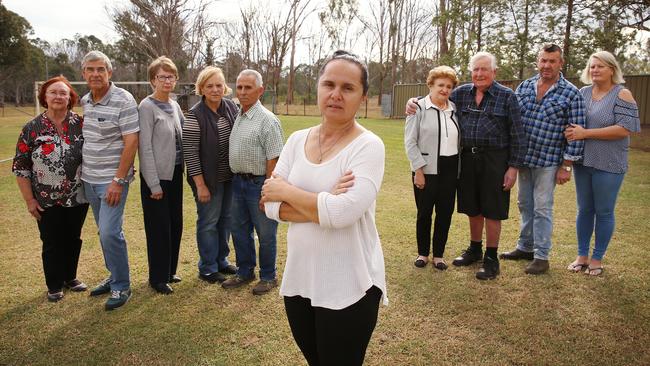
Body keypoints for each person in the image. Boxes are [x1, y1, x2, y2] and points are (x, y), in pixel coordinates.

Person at [262, 50, 387, 366]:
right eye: (328, 84)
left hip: (350, 285)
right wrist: (324, 202)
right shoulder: (296, 140)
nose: (336, 94)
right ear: (317, 87)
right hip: (301, 280)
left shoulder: (369, 146)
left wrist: (290, 192)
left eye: (348, 88)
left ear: (363, 97)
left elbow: (344, 214)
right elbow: (269, 205)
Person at [405, 51, 527, 280]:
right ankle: (474, 248)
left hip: (495, 159)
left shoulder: (507, 96)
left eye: (485, 69)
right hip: (467, 160)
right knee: (472, 206)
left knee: (493, 208)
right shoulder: (460, 94)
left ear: (494, 72)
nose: (479, 74)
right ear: (471, 72)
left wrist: (513, 167)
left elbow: (518, 135)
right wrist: (412, 102)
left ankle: (491, 257)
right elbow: (435, 95)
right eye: (476, 69)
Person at [499, 44, 586, 275]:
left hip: (549, 161)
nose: (547, 65)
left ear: (561, 63)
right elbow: (512, 120)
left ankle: (541, 256)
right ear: (538, 61)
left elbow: (576, 131)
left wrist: (566, 165)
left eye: (552, 61)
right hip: (524, 158)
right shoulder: (525, 86)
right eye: (543, 60)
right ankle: (525, 247)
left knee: (543, 208)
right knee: (525, 204)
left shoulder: (571, 93)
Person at [12, 76, 89, 302]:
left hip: (77, 196)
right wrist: (29, 201)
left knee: (73, 237)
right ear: (44, 97)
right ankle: (54, 284)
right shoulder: (32, 128)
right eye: (53, 92)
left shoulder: (81, 124)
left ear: (70, 98)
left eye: (63, 93)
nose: (58, 96)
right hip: (45, 198)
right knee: (52, 240)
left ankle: (70, 277)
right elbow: (21, 167)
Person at [564, 51, 641, 276]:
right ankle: (582, 256)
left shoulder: (622, 94)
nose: (595, 70)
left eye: (600, 66)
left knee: (604, 211)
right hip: (584, 162)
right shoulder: (582, 93)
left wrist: (585, 133)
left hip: (609, 163)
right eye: (592, 66)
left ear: (612, 70)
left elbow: (625, 129)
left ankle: (597, 258)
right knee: (584, 210)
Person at [80, 50, 139, 310]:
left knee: (110, 232)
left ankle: (121, 285)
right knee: (103, 233)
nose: (95, 74)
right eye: (90, 69)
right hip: (89, 179)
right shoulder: (85, 101)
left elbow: (131, 142)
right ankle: (113, 276)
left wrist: (118, 180)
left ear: (109, 72)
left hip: (112, 181)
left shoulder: (124, 100)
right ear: (84, 74)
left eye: (100, 69)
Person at [221, 69, 284, 295]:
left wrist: (268, 191)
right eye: (239, 87)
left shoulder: (267, 120)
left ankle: (268, 276)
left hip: (259, 184)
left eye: (248, 87)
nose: (243, 92)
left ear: (260, 90)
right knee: (239, 230)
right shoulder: (238, 115)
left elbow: (274, 159)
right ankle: (245, 271)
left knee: (266, 233)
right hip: (238, 183)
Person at [183, 66, 239, 284]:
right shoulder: (194, 116)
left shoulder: (232, 108)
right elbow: (190, 153)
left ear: (224, 86)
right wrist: (200, 185)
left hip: (229, 178)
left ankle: (222, 260)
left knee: (226, 220)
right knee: (208, 222)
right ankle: (207, 267)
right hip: (208, 181)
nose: (215, 90)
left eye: (218, 85)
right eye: (210, 86)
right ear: (201, 88)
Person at [404, 66, 460, 270]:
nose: (444, 89)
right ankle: (422, 253)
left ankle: (439, 255)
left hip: (450, 169)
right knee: (424, 213)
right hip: (426, 169)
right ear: (430, 85)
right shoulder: (417, 108)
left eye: (448, 86)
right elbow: (410, 142)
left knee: (445, 213)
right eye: (440, 85)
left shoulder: (454, 109)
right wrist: (418, 170)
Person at [138, 56, 184, 294]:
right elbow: (144, 148)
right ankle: (157, 278)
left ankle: (169, 271)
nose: (167, 81)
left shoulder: (175, 105)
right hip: (156, 179)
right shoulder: (146, 106)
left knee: (175, 224)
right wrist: (153, 184)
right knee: (159, 228)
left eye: (171, 76)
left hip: (175, 174)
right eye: (161, 77)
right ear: (152, 80)